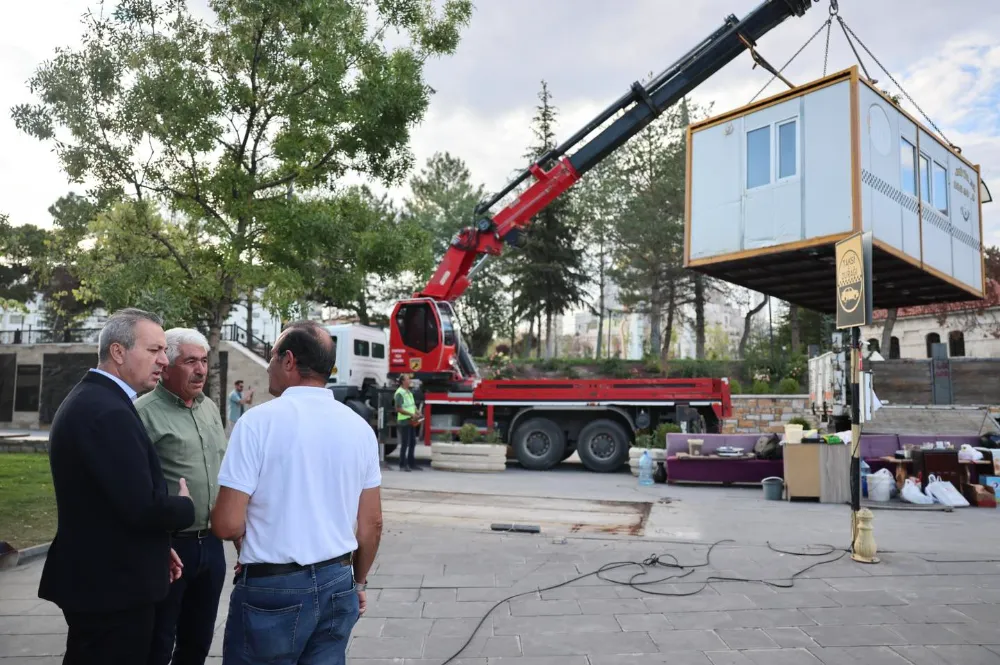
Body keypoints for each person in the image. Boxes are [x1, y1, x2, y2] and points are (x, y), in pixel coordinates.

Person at [211, 320, 383, 665]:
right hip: (338, 582)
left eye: (271, 356)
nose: (269, 365)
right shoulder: (359, 428)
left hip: (273, 588)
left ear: (288, 361)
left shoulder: (257, 423)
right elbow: (372, 524)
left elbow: (227, 524)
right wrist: (359, 583)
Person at [39, 308, 196, 665]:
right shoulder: (105, 410)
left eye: (164, 350)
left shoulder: (97, 400)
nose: (164, 360)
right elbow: (141, 507)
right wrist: (184, 506)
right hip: (111, 590)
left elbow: (111, 500)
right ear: (118, 352)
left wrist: (156, 550)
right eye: (154, 350)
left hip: (108, 578)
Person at [136, 328, 229, 665]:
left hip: (212, 545)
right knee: (158, 642)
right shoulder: (142, 413)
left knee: (198, 640)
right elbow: (134, 487)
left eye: (204, 361)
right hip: (170, 548)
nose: (201, 370)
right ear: (168, 366)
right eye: (190, 361)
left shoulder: (209, 409)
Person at [394, 373, 421, 471]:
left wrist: (417, 412)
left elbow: (412, 405)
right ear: (402, 381)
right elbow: (398, 408)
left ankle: (411, 463)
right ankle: (402, 465)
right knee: (405, 443)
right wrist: (411, 414)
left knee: (412, 442)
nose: (409, 381)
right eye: (408, 379)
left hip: (412, 420)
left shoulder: (408, 392)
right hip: (404, 421)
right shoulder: (399, 393)